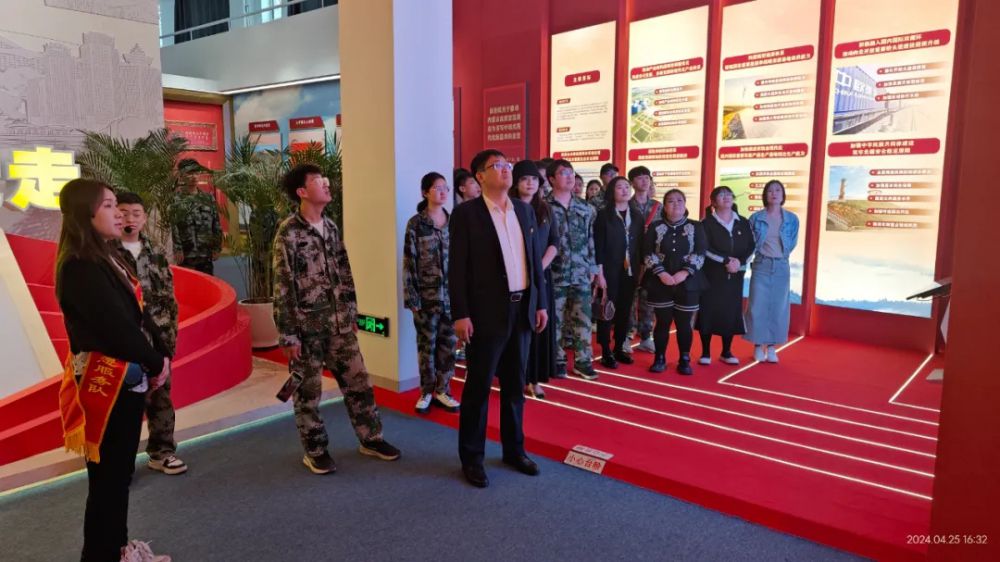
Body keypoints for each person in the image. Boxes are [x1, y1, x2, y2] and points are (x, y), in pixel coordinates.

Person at [55, 179, 171, 562]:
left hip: (126, 379)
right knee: (108, 481)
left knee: (118, 477)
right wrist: (154, 361)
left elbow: (137, 314)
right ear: (86, 213)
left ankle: (119, 551)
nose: (118, 213)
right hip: (106, 382)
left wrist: (159, 354)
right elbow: (116, 329)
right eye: (108, 206)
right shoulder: (79, 265)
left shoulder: (106, 256)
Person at [272, 163, 400, 475]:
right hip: (307, 330)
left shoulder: (330, 227)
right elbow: (282, 285)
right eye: (319, 181)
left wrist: (352, 311)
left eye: (325, 180)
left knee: (359, 382)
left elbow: (344, 271)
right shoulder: (288, 232)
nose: (327, 184)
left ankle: (371, 438)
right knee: (308, 393)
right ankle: (315, 450)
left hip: (341, 324)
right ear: (302, 192)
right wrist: (288, 335)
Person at [449, 149, 548, 488]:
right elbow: (457, 269)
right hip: (486, 313)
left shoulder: (524, 210)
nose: (506, 170)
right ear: (480, 176)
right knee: (478, 388)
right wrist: (460, 314)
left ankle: (514, 450)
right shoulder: (467, 214)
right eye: (497, 166)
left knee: (515, 386)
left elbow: (533, 260)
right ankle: (472, 458)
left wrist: (540, 302)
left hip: (522, 309)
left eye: (507, 164)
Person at [113, 192, 186, 475]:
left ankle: (162, 452)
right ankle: (120, 462)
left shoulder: (155, 252)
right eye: (123, 213)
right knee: (124, 403)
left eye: (136, 214)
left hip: (156, 338)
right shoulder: (106, 253)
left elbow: (168, 298)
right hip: (124, 340)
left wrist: (168, 341)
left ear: (144, 218)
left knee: (161, 396)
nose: (129, 219)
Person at [403, 172, 461, 414]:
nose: (443, 192)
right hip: (426, 298)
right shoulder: (416, 224)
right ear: (425, 192)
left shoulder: (455, 222)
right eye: (437, 188)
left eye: (445, 188)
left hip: (452, 298)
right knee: (426, 346)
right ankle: (426, 391)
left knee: (448, 345)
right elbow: (409, 261)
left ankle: (443, 390)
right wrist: (411, 297)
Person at [642, 189, 707, 375]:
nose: (675, 204)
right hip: (660, 281)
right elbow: (647, 252)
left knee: (684, 323)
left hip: (688, 282)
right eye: (670, 201)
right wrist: (661, 273)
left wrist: (685, 273)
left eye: (679, 200)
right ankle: (659, 358)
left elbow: (701, 252)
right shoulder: (655, 227)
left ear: (685, 204)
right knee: (662, 322)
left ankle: (684, 359)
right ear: (664, 206)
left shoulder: (696, 226)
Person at [545, 159, 600, 380]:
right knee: (555, 320)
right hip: (554, 273)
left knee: (583, 319)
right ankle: (557, 359)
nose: (569, 177)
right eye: (563, 173)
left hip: (581, 272)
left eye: (571, 173)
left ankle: (583, 361)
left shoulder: (586, 208)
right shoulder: (543, 207)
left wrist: (594, 267)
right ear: (551, 179)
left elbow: (591, 238)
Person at [510, 160, 559, 399]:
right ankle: (515, 378)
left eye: (534, 179)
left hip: (542, 277)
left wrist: (538, 267)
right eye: (524, 179)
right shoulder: (508, 208)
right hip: (515, 278)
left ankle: (534, 380)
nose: (530, 183)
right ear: (515, 182)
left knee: (540, 328)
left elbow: (554, 242)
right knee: (517, 331)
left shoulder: (546, 209)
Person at [697, 186, 755, 366]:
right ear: (713, 202)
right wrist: (725, 261)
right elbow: (705, 248)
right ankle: (705, 352)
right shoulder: (706, 223)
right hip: (712, 274)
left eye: (729, 194)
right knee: (708, 311)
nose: (726, 197)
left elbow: (751, 246)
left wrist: (739, 262)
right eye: (721, 195)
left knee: (731, 311)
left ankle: (726, 351)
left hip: (736, 274)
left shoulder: (743, 222)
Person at [745, 179, 800, 363]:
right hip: (761, 264)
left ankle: (771, 347)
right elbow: (750, 242)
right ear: (765, 195)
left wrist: (781, 256)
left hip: (781, 265)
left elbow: (792, 242)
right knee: (757, 305)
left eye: (778, 190)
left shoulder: (792, 219)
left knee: (779, 307)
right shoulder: (756, 218)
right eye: (770, 191)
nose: (774, 193)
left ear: (783, 195)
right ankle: (757, 345)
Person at [593, 177, 643, 368]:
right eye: (619, 187)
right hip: (608, 270)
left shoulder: (637, 216)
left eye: (627, 187)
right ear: (612, 191)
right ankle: (606, 350)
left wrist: (641, 270)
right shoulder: (603, 215)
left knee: (625, 310)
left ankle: (619, 347)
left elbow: (640, 245)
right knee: (607, 310)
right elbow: (598, 246)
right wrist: (599, 273)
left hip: (630, 271)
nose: (624, 190)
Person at [628, 166, 662, 354]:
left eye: (647, 178)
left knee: (648, 299)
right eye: (640, 178)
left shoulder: (658, 206)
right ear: (632, 182)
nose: (644, 181)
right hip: (630, 257)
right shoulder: (626, 204)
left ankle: (646, 336)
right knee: (629, 298)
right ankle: (627, 335)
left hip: (651, 258)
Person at [170, 159, 222, 275]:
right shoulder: (175, 200)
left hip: (206, 254)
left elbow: (216, 224)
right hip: (186, 255)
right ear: (181, 175)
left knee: (207, 284)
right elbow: (174, 226)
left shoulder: (208, 198)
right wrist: (178, 249)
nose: (194, 177)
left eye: (196, 173)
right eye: (189, 173)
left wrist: (217, 247)